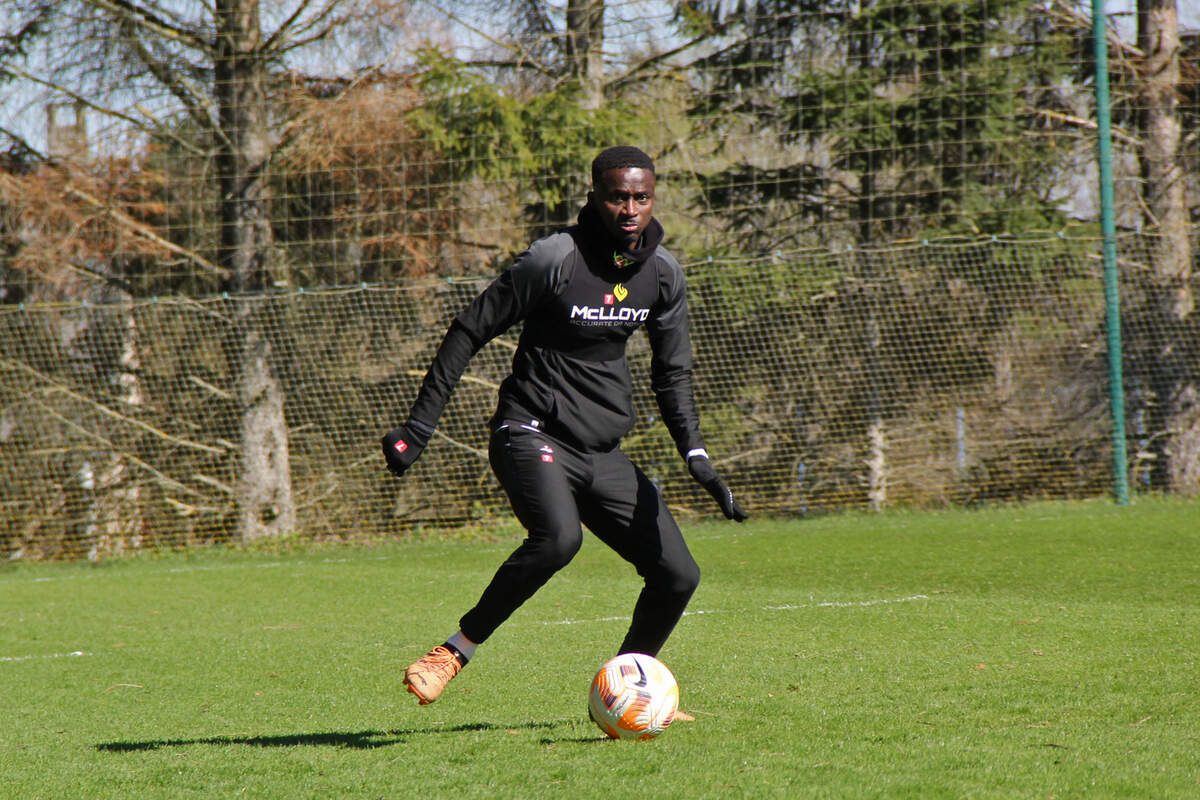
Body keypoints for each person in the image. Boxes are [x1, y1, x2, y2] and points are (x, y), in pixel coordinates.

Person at [382, 145, 747, 708]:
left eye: (641, 197)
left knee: (677, 574)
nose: (630, 209)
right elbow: (468, 329)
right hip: (529, 431)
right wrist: (419, 429)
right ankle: (454, 651)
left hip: (601, 450)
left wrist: (697, 457)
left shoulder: (663, 274)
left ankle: (627, 692)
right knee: (558, 539)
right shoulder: (554, 259)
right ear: (594, 196)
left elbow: (673, 375)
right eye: (618, 196)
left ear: (653, 199)